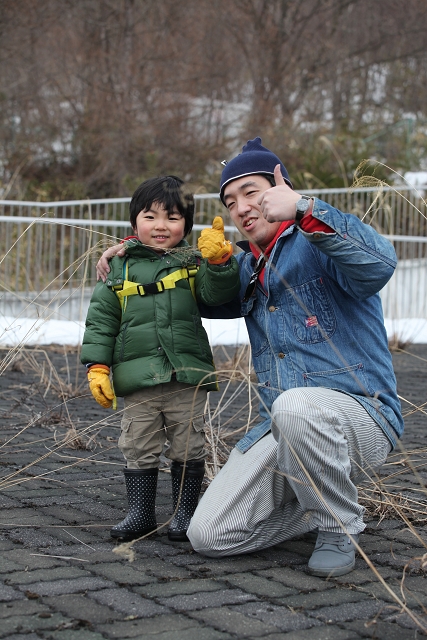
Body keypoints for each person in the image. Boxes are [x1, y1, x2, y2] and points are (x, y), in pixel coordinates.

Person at [97, 139, 403, 578]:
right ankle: (317, 504)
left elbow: (379, 265)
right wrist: (133, 251)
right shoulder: (243, 266)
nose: (241, 207)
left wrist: (304, 207)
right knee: (209, 535)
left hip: (361, 415)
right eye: (230, 200)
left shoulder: (320, 238)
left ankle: (338, 525)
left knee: (295, 405)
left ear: (280, 187)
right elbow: (194, 283)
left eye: (252, 192)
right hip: (281, 428)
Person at [82, 175, 240, 543]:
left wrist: (219, 263)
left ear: (186, 222)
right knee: (138, 444)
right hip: (137, 378)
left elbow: (215, 295)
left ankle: (185, 513)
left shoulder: (192, 260)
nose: (160, 226)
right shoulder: (118, 268)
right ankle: (140, 513)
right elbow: (101, 321)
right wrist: (97, 367)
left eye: (172, 217)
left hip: (186, 375)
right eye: (150, 216)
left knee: (189, 444)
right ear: (134, 221)